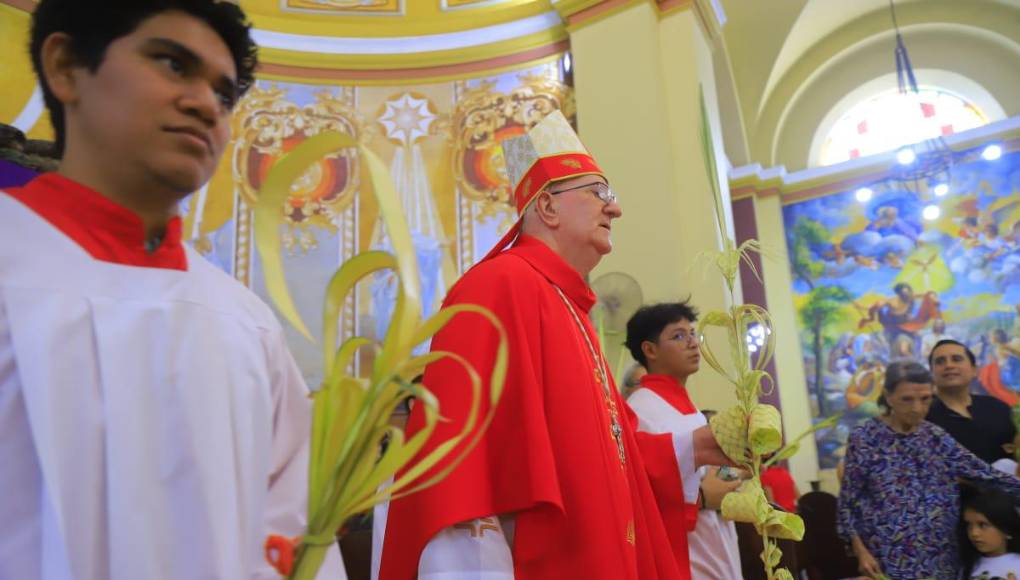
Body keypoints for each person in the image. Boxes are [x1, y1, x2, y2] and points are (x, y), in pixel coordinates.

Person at [0, 2, 343, 578]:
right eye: (172, 64)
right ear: (65, 67)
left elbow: (296, 541)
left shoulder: (246, 325)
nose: (206, 104)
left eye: (225, 93)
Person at [378, 111, 731, 580]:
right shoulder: (498, 286)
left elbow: (616, 453)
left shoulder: (572, 311)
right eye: (599, 193)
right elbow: (461, 463)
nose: (615, 209)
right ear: (547, 207)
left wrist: (704, 444)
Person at [838, 361, 1020, 579]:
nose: (917, 408)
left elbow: (987, 475)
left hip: (941, 557)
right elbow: (848, 503)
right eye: (907, 399)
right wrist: (861, 553)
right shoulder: (865, 437)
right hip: (889, 557)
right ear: (888, 396)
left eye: (925, 399)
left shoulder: (936, 437)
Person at [625, 301, 744, 580]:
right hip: (685, 551)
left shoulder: (689, 410)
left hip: (713, 537)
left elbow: (703, 474)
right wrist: (702, 498)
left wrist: (735, 471)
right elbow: (643, 491)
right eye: (678, 336)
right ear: (650, 350)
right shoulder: (640, 410)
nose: (692, 343)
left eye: (692, 333)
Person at [928, 339, 1016, 463]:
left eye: (956, 359)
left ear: (974, 370)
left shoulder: (998, 408)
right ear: (931, 373)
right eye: (940, 361)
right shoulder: (922, 418)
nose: (949, 365)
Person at [959, 486, 1020, 579]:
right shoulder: (968, 568)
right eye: (969, 525)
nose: (974, 533)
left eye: (983, 525)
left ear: (1006, 529)